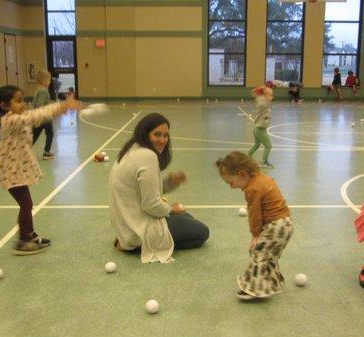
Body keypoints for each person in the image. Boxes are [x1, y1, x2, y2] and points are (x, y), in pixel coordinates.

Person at [0, 85, 81, 255]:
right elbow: (36, 115)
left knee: (27, 204)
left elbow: (35, 116)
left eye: (23, 99)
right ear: (5, 106)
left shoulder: (19, 116)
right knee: (26, 204)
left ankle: (29, 234)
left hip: (18, 169)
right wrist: (61, 106)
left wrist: (60, 107)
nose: (22, 104)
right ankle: (23, 240)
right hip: (11, 171)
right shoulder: (10, 120)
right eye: (17, 101)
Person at [108, 113, 209, 263]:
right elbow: (150, 204)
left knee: (187, 218)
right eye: (157, 135)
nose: (162, 140)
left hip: (127, 223)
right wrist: (171, 209)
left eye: (166, 135)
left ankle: (127, 239)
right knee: (202, 233)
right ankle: (137, 245)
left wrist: (170, 182)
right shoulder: (147, 156)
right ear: (145, 133)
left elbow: (145, 189)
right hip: (139, 227)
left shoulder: (132, 149)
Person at [215, 152, 293, 300]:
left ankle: (254, 289)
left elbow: (255, 214)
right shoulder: (263, 178)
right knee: (269, 256)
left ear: (242, 174)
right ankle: (271, 284)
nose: (231, 187)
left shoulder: (252, 188)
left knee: (259, 254)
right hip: (286, 224)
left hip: (276, 226)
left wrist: (256, 235)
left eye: (231, 182)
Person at [247, 86, 274, 168]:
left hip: (259, 128)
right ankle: (264, 162)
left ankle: (247, 157)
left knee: (256, 145)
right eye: (269, 94)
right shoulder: (262, 103)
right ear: (264, 95)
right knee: (268, 146)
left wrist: (262, 91)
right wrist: (262, 91)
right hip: (259, 129)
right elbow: (263, 100)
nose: (271, 97)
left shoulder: (263, 101)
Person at [32, 70, 55, 160]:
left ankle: (24, 150)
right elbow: (39, 105)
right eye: (49, 80)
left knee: (35, 134)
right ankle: (46, 152)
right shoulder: (43, 92)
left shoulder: (38, 90)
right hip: (44, 117)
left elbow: (34, 103)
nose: (49, 82)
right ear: (44, 81)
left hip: (38, 117)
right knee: (50, 133)